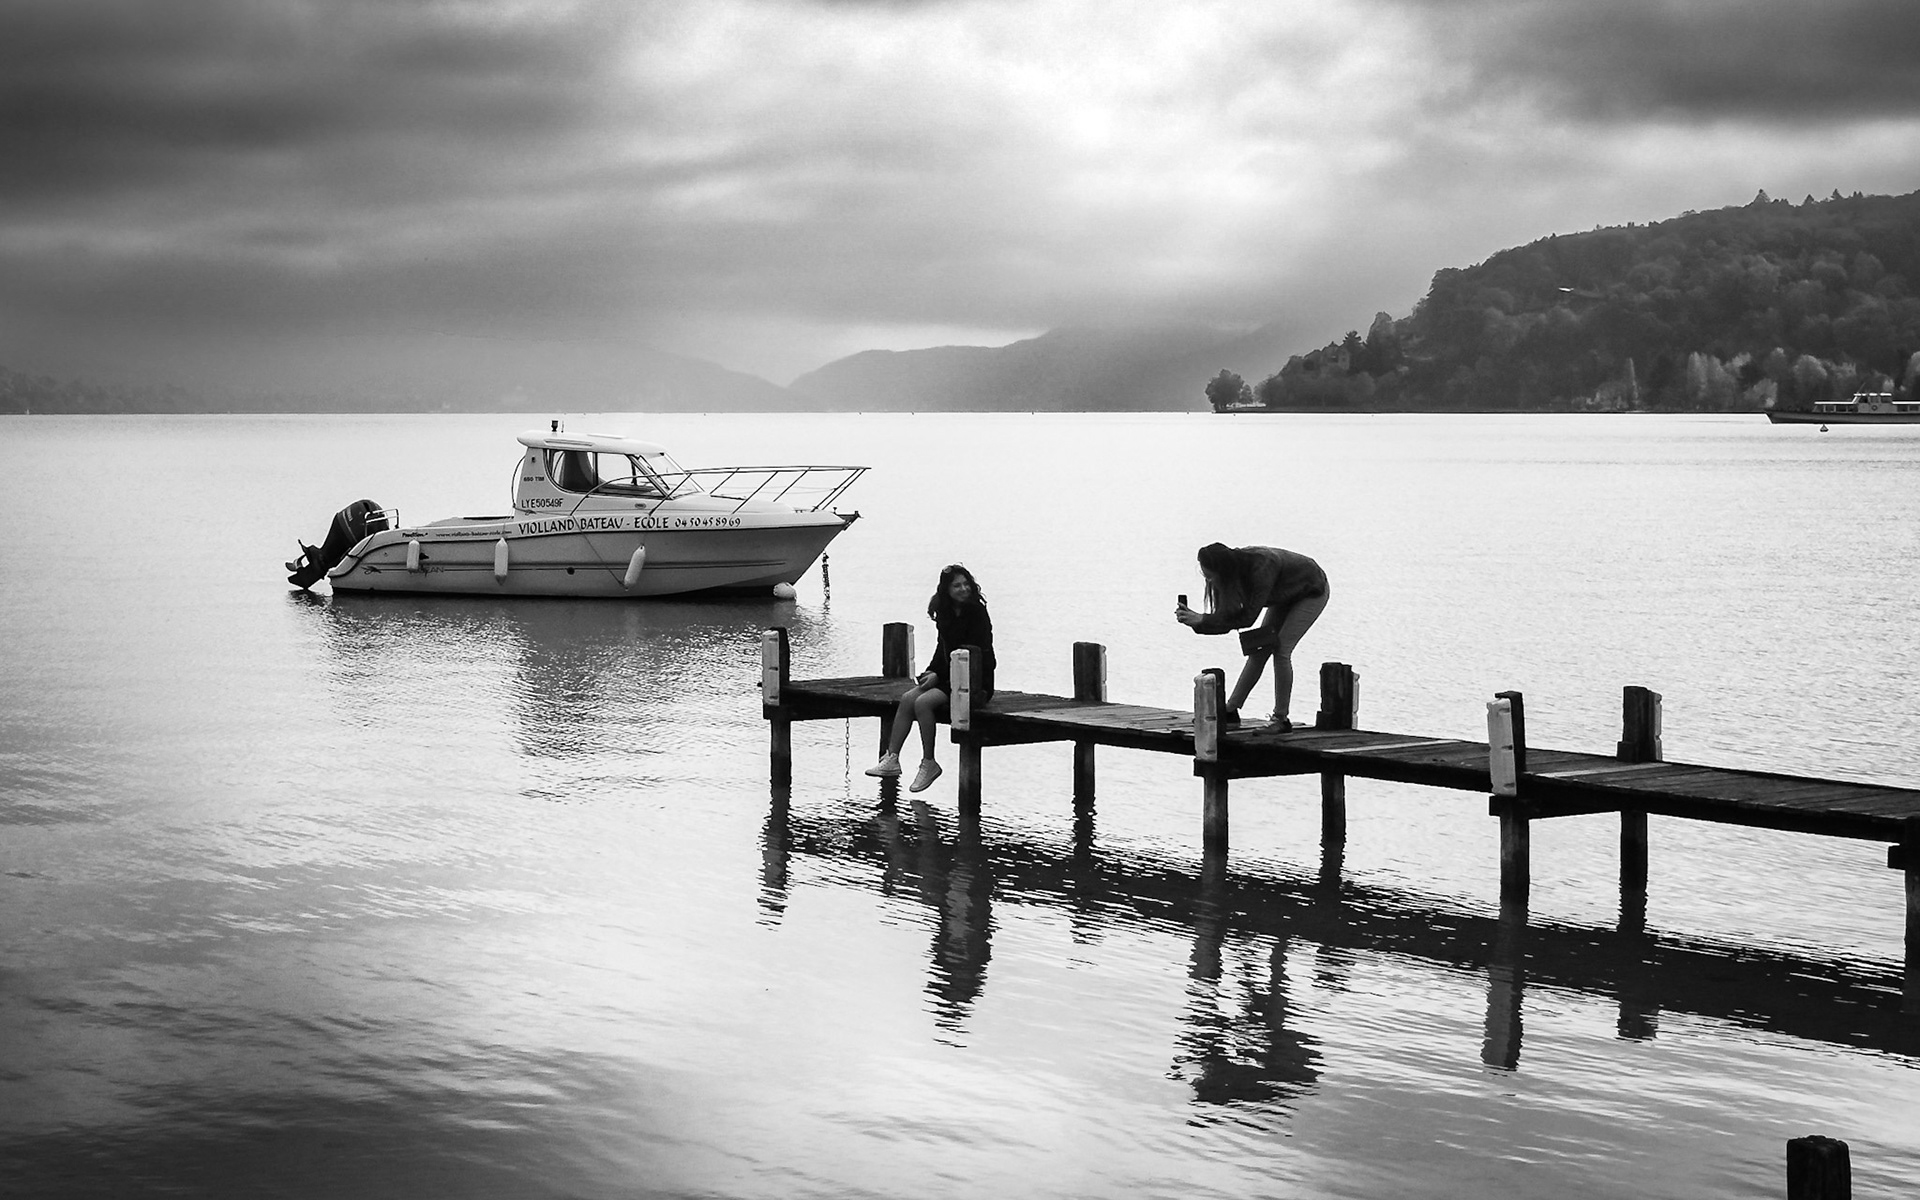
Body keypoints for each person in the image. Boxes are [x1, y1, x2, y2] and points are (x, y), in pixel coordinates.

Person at [867, 564, 996, 792]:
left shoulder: (976, 613)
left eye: (966, 584)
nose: (963, 589)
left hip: (974, 682)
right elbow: (943, 648)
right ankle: (892, 759)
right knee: (908, 698)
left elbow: (973, 653)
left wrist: (939, 676)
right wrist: (930, 672)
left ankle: (929, 763)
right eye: (957, 585)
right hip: (949, 677)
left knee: (923, 702)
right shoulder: (945, 612)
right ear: (946, 589)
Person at [1175, 542, 1328, 731]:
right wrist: (1199, 623)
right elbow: (1228, 619)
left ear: (1222, 570)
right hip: (1284, 593)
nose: (1210, 582)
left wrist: (1203, 619)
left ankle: (1281, 719)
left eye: (1210, 577)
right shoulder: (1229, 573)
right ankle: (1230, 711)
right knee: (1259, 649)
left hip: (1311, 589)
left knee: (1281, 650)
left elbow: (1247, 619)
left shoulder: (1262, 567)